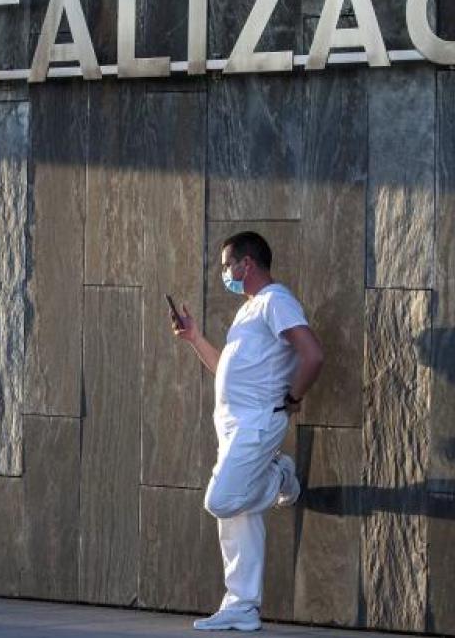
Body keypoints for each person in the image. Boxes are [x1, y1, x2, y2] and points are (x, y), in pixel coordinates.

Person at [169, 231, 324, 632]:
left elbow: (313, 354)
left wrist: (292, 398)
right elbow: (226, 368)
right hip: (234, 426)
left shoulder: (276, 301)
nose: (225, 273)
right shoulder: (249, 309)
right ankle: (241, 605)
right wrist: (194, 338)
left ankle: (279, 475)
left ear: (247, 264)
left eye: (227, 265)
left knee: (222, 499)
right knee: (238, 516)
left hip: (258, 423)